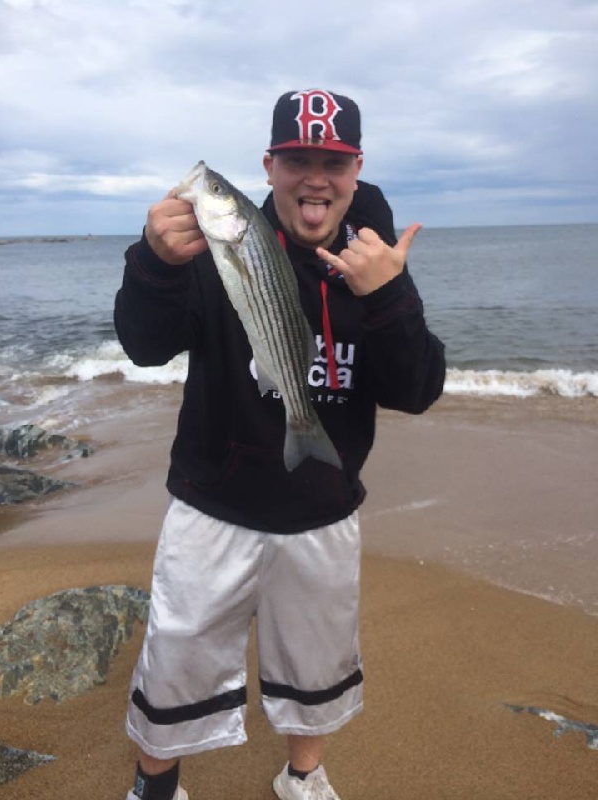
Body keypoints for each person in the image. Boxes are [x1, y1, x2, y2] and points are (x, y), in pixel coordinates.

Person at [114, 88, 446, 800]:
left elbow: (417, 389)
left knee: (316, 661)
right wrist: (154, 263)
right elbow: (143, 346)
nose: (315, 177)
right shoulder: (220, 248)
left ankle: (303, 773)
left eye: (333, 160)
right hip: (213, 501)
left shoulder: (376, 262)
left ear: (356, 170)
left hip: (323, 508)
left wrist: (388, 296)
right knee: (178, 653)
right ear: (269, 167)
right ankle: (157, 783)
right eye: (298, 159)